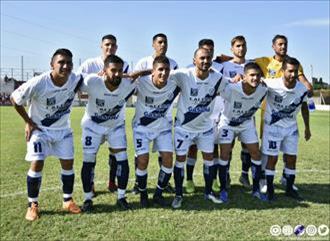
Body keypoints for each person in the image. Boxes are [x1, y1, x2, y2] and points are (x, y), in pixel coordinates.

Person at [10, 48, 82, 221]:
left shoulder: (75, 79)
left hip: (63, 131)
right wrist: (28, 121)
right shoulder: (39, 82)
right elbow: (14, 98)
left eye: (69, 63)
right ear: (52, 64)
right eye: (61, 62)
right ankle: (32, 205)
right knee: (37, 162)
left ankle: (67, 200)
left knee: (68, 164)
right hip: (40, 130)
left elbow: (97, 79)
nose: (65, 66)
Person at [255, 35, 313, 193]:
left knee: (291, 157)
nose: (283, 46)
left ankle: (288, 184)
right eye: (280, 44)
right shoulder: (269, 76)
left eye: (285, 44)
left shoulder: (299, 85)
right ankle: (265, 182)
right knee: (268, 155)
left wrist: (307, 127)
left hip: (291, 127)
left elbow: (305, 105)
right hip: (271, 122)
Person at [79, 54, 137, 212]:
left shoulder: (128, 84)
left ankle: (121, 197)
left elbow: (152, 76)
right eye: (113, 70)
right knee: (89, 161)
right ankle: (87, 199)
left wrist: (135, 74)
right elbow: (71, 83)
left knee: (122, 159)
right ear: (104, 71)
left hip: (115, 126)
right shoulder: (91, 81)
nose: (117, 74)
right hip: (92, 125)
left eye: (120, 71)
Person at [170, 48, 223, 209]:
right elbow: (161, 72)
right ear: (194, 60)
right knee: (180, 160)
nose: (205, 61)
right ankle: (178, 195)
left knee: (209, 159)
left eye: (208, 58)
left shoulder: (218, 78)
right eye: (202, 58)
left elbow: (234, 86)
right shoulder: (183, 74)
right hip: (183, 128)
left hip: (205, 128)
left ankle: (208, 193)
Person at [77, 34, 131, 193]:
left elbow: (127, 84)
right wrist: (94, 93)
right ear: (101, 46)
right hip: (94, 118)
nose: (110, 48)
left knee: (116, 152)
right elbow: (78, 85)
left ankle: (112, 181)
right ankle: (91, 185)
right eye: (107, 45)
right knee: (90, 155)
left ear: (117, 47)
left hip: (115, 119)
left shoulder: (124, 65)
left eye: (113, 45)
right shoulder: (89, 64)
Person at [133, 33, 178, 194]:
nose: (163, 45)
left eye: (165, 42)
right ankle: (138, 183)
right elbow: (134, 80)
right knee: (141, 156)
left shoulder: (174, 64)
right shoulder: (143, 62)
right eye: (159, 42)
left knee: (165, 154)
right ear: (153, 44)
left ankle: (163, 183)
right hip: (145, 117)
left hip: (164, 116)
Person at [217, 62, 268, 202]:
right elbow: (215, 90)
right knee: (225, 153)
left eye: (258, 75)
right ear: (244, 77)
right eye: (252, 75)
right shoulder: (232, 89)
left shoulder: (263, 89)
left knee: (256, 153)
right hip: (228, 123)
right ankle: (223, 189)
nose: (255, 78)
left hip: (246, 124)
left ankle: (256, 189)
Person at [185, 38, 223, 194]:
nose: (209, 53)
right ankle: (189, 179)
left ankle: (213, 179)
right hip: (193, 116)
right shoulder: (188, 69)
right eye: (205, 50)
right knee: (192, 149)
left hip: (214, 114)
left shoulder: (220, 67)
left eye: (211, 50)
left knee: (213, 149)